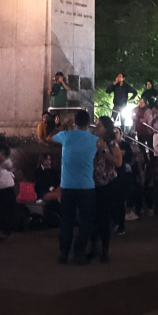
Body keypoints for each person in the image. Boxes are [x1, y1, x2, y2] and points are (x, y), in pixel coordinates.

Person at [52, 110, 100, 264]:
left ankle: (63, 253)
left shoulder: (65, 135)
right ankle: (79, 252)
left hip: (67, 185)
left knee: (66, 220)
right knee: (86, 221)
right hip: (86, 186)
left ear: (75, 122)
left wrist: (62, 126)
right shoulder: (94, 139)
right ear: (88, 123)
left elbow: (48, 138)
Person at [88, 118, 123, 262]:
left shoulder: (111, 143)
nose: (96, 127)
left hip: (107, 184)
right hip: (93, 183)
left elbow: (118, 162)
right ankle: (93, 248)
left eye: (99, 125)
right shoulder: (93, 140)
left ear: (106, 128)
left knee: (104, 217)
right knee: (93, 217)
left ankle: (104, 250)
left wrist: (103, 151)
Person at [0, 146, 17, 240]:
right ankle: (3, 228)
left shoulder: (2, 161)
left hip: (7, 187)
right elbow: (9, 164)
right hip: (3, 188)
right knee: (4, 209)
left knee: (9, 209)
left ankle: (7, 228)